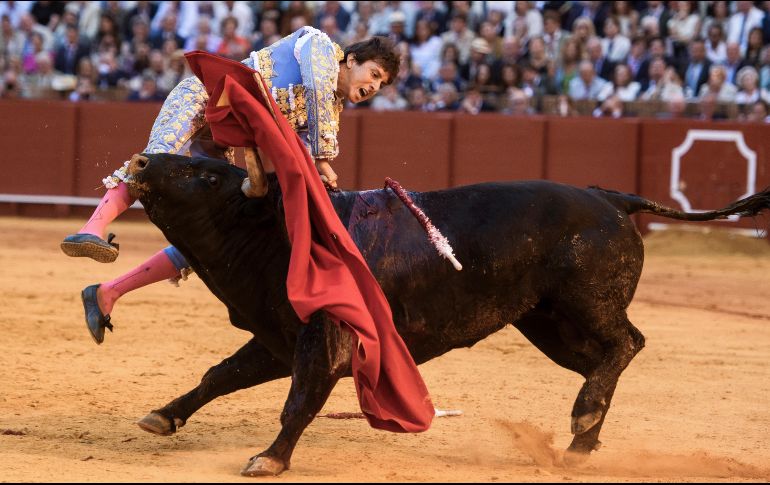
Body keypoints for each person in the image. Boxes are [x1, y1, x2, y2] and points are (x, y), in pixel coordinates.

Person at [60, 27, 400, 344]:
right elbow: (314, 89)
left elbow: (290, 152)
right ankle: (92, 229)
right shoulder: (319, 44)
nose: (374, 87)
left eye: (381, 84)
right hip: (203, 97)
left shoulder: (330, 111)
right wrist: (323, 158)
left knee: (217, 228)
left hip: (225, 136)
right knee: (152, 165)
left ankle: (107, 293)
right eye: (374, 74)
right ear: (351, 60)